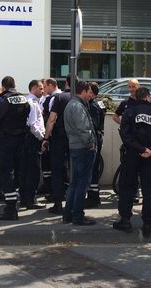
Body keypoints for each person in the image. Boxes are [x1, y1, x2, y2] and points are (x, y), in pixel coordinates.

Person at [113, 87, 151, 237]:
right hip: (150, 157)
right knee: (148, 190)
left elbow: (124, 134)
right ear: (148, 97)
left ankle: (125, 220)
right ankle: (147, 223)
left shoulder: (129, 112)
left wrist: (139, 148)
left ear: (137, 97)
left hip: (132, 154)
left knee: (127, 187)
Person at [0, 76, 31, 221]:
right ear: (14, 85)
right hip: (22, 141)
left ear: (3, 87)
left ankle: (10, 209)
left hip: (6, 141)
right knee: (19, 171)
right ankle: (17, 201)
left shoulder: (1, 100)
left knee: (6, 173)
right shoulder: (24, 99)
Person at [61, 80, 97, 226]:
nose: (90, 95)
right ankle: (77, 215)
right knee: (82, 183)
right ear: (83, 91)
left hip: (76, 147)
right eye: (89, 92)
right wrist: (90, 144)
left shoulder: (72, 104)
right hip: (83, 148)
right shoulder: (77, 106)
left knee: (75, 183)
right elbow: (84, 128)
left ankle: (68, 214)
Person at [42, 75, 72, 215]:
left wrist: (46, 138)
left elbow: (51, 120)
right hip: (76, 139)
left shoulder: (59, 98)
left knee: (57, 170)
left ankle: (58, 203)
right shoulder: (81, 98)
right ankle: (74, 204)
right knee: (75, 171)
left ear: (66, 83)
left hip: (60, 138)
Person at [20, 79, 46, 209]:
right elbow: (33, 124)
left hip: (25, 141)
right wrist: (43, 137)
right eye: (41, 88)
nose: (43, 91)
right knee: (34, 171)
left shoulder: (26, 100)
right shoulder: (33, 103)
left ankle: (25, 198)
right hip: (33, 140)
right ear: (34, 88)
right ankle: (31, 200)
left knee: (25, 170)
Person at [39, 78, 62, 196]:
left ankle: (54, 191)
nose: (44, 89)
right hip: (59, 135)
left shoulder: (55, 98)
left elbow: (51, 118)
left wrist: (46, 137)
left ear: (51, 85)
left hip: (54, 135)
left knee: (53, 163)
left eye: (45, 86)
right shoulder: (56, 97)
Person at [84, 82, 106, 208]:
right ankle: (94, 195)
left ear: (92, 94)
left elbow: (93, 124)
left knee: (92, 168)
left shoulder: (92, 106)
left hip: (94, 138)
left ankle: (93, 197)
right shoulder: (99, 104)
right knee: (94, 167)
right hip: (98, 137)